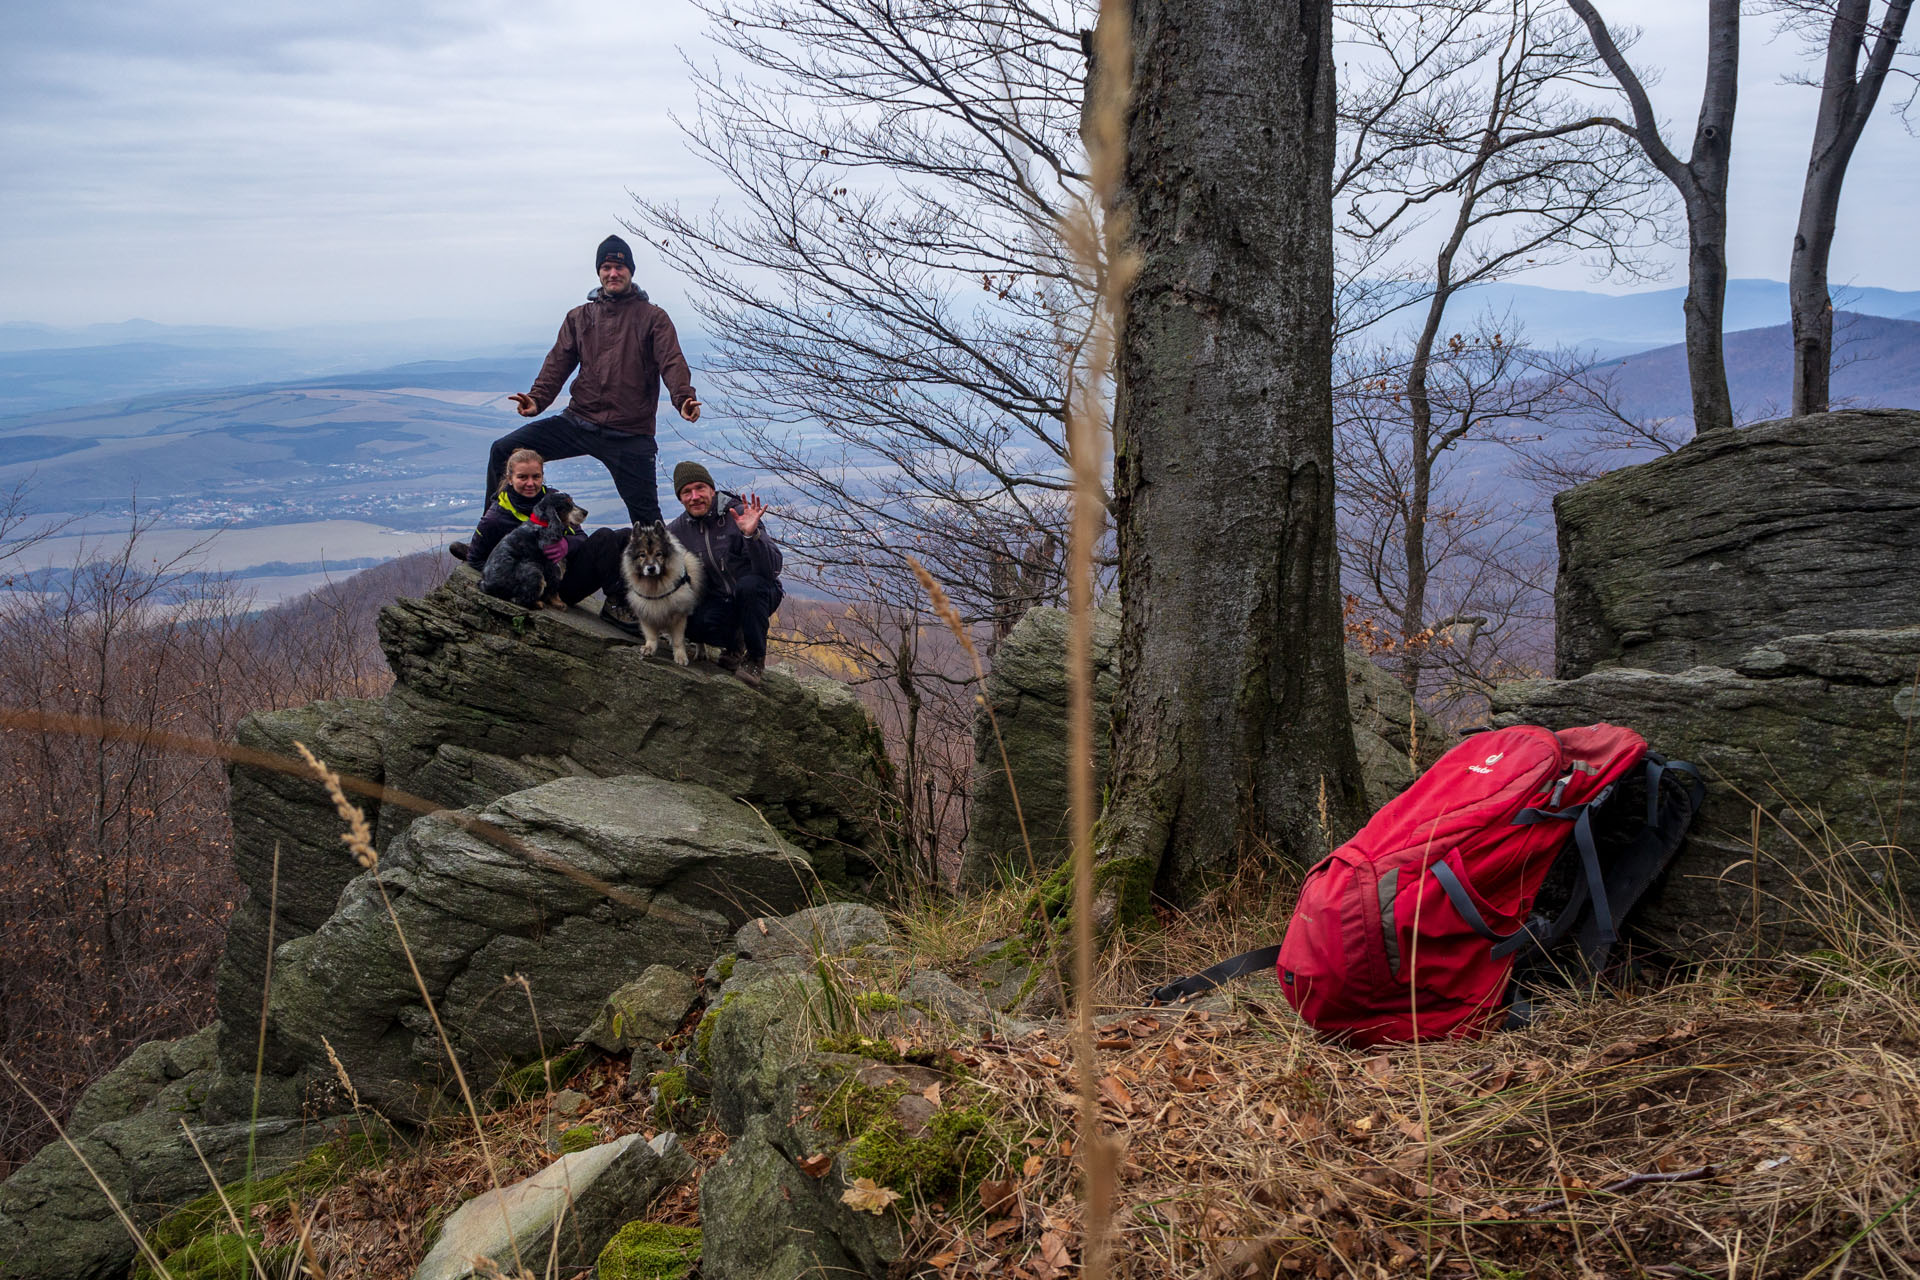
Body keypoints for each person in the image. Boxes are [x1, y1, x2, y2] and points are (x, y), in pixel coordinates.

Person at [455, 233, 701, 547]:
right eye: (607, 267)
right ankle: (488, 545)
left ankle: (670, 583)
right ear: (599, 272)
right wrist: (537, 399)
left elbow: (672, 361)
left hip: (630, 434)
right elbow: (558, 362)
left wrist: (683, 399)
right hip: (579, 421)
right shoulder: (580, 317)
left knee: (647, 522)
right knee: (504, 451)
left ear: (631, 272)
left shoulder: (653, 318)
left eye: (620, 267)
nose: (613, 273)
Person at [458, 447, 637, 615]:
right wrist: (514, 573)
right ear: (510, 478)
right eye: (522, 477)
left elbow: (581, 537)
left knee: (623, 536)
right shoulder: (495, 518)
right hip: (536, 583)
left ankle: (631, 600)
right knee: (605, 535)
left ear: (543, 476)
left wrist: (566, 545)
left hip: (563, 571)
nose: (530, 483)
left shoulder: (554, 500)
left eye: (536, 477)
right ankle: (616, 607)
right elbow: (476, 560)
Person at [668, 461, 783, 688]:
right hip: (720, 601)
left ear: (712, 489)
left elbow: (773, 569)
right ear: (680, 498)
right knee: (695, 625)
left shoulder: (738, 513)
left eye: (700, 488)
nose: (694, 496)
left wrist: (753, 537)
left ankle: (755, 658)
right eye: (686, 492)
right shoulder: (677, 531)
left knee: (748, 586)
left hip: (758, 594)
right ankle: (733, 643)